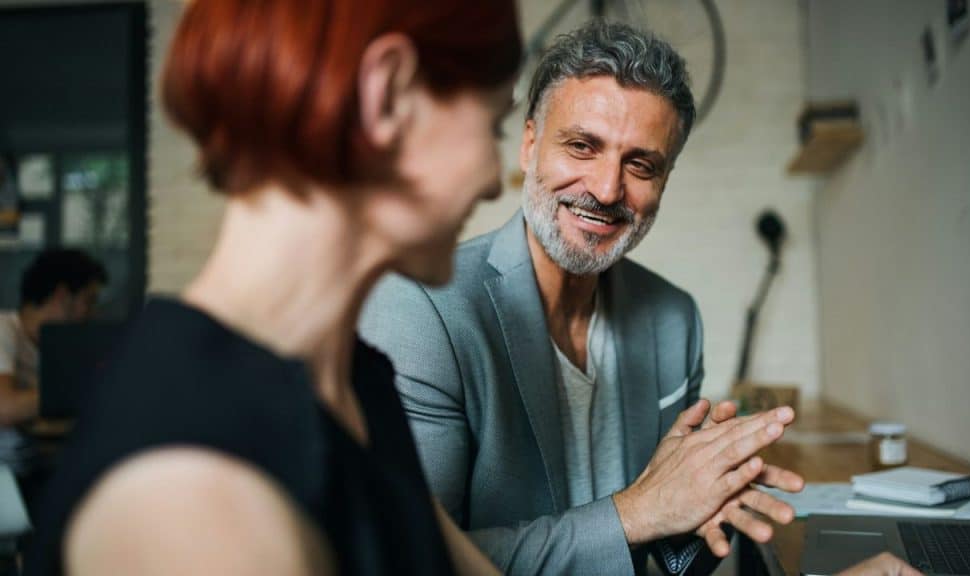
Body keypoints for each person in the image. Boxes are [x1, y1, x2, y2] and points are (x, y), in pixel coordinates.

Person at [26, 0, 521, 574]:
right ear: (387, 95)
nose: (492, 177)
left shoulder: (355, 383)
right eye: (493, 126)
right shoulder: (191, 498)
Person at [360, 21, 806, 574]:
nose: (606, 189)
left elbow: (671, 554)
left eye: (641, 164)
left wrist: (706, 506)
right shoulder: (423, 310)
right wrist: (637, 513)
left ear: (664, 180)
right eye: (581, 146)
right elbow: (413, 559)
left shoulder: (675, 320)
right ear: (529, 143)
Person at [0, 248, 107, 477]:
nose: (90, 313)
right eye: (88, 301)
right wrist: (93, 386)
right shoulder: (3, 329)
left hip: (33, 467)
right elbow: (5, 408)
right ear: (62, 296)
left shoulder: (57, 347)